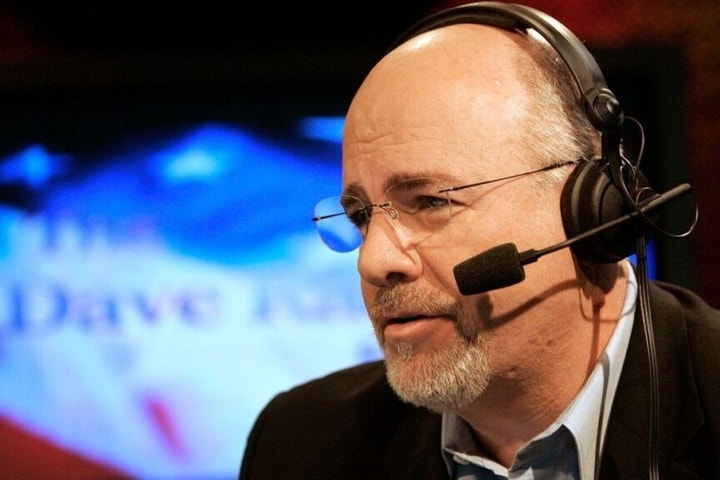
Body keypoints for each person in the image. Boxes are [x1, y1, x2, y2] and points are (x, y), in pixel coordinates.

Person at [239, 2, 720, 479]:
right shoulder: (301, 443)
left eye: (430, 201)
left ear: (592, 210)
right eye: (361, 216)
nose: (373, 261)